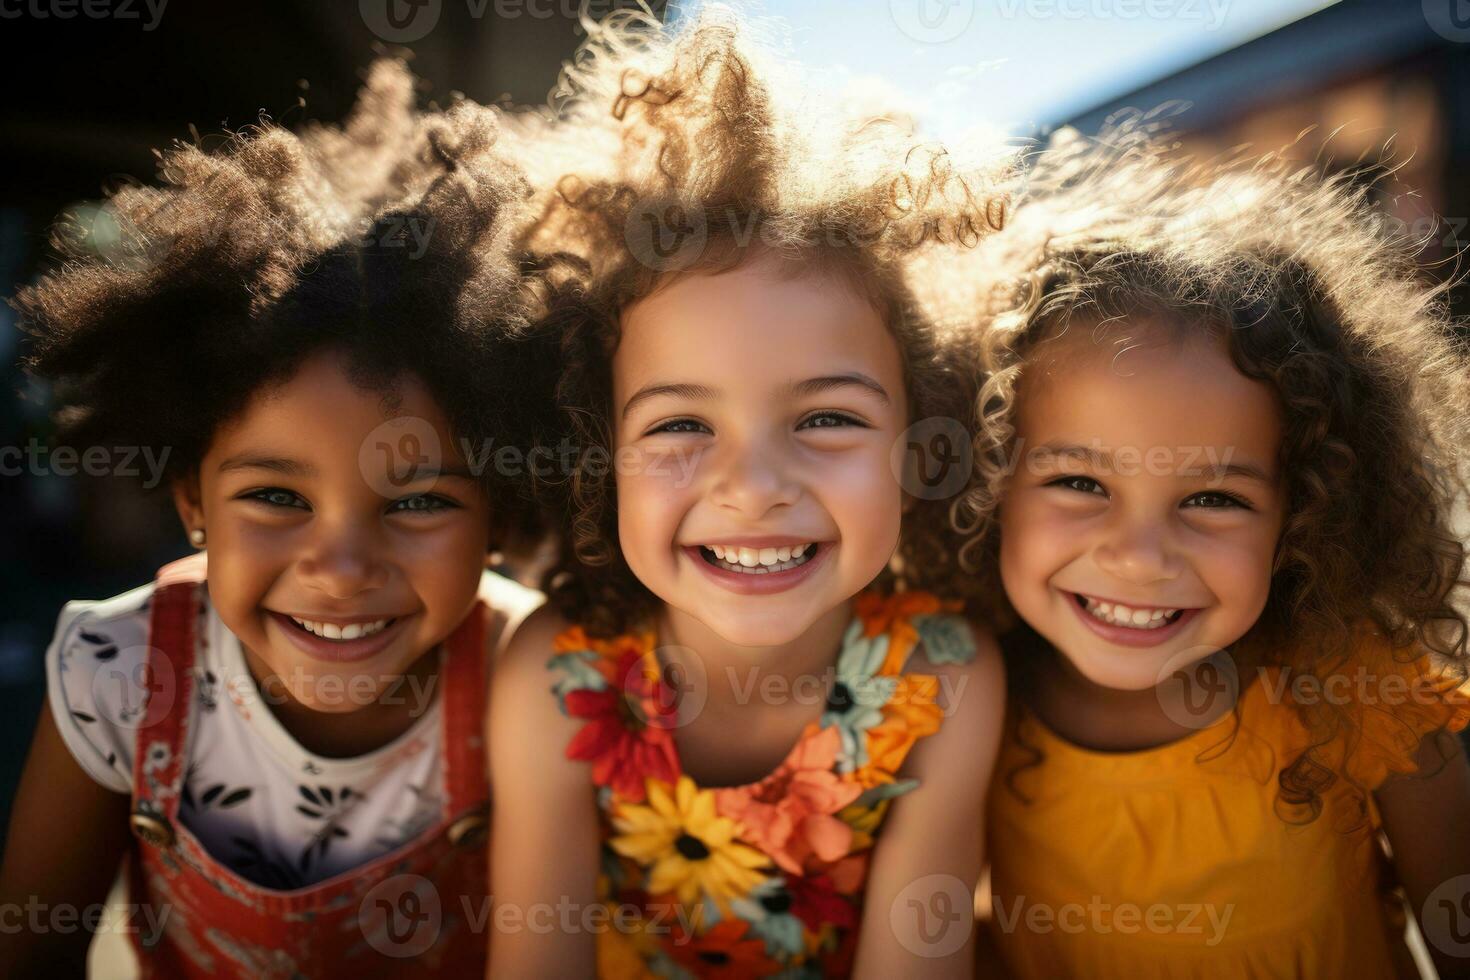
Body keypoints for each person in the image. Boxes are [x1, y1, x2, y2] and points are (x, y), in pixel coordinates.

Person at [0, 62, 557, 978]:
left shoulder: (527, 676)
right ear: (193, 503)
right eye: (277, 498)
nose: (340, 566)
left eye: (418, 502)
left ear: (501, 514)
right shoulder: (119, 675)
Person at [487, 8, 1011, 977]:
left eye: (827, 419)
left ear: (922, 435)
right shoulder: (553, 677)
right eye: (680, 424)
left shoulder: (945, 676)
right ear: (593, 453)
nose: (755, 486)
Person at [950, 129, 1470, 979]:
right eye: (1080, 482)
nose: (1140, 556)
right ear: (989, 478)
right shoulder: (971, 699)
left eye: (1214, 499)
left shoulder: (1359, 688)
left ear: (1305, 512)